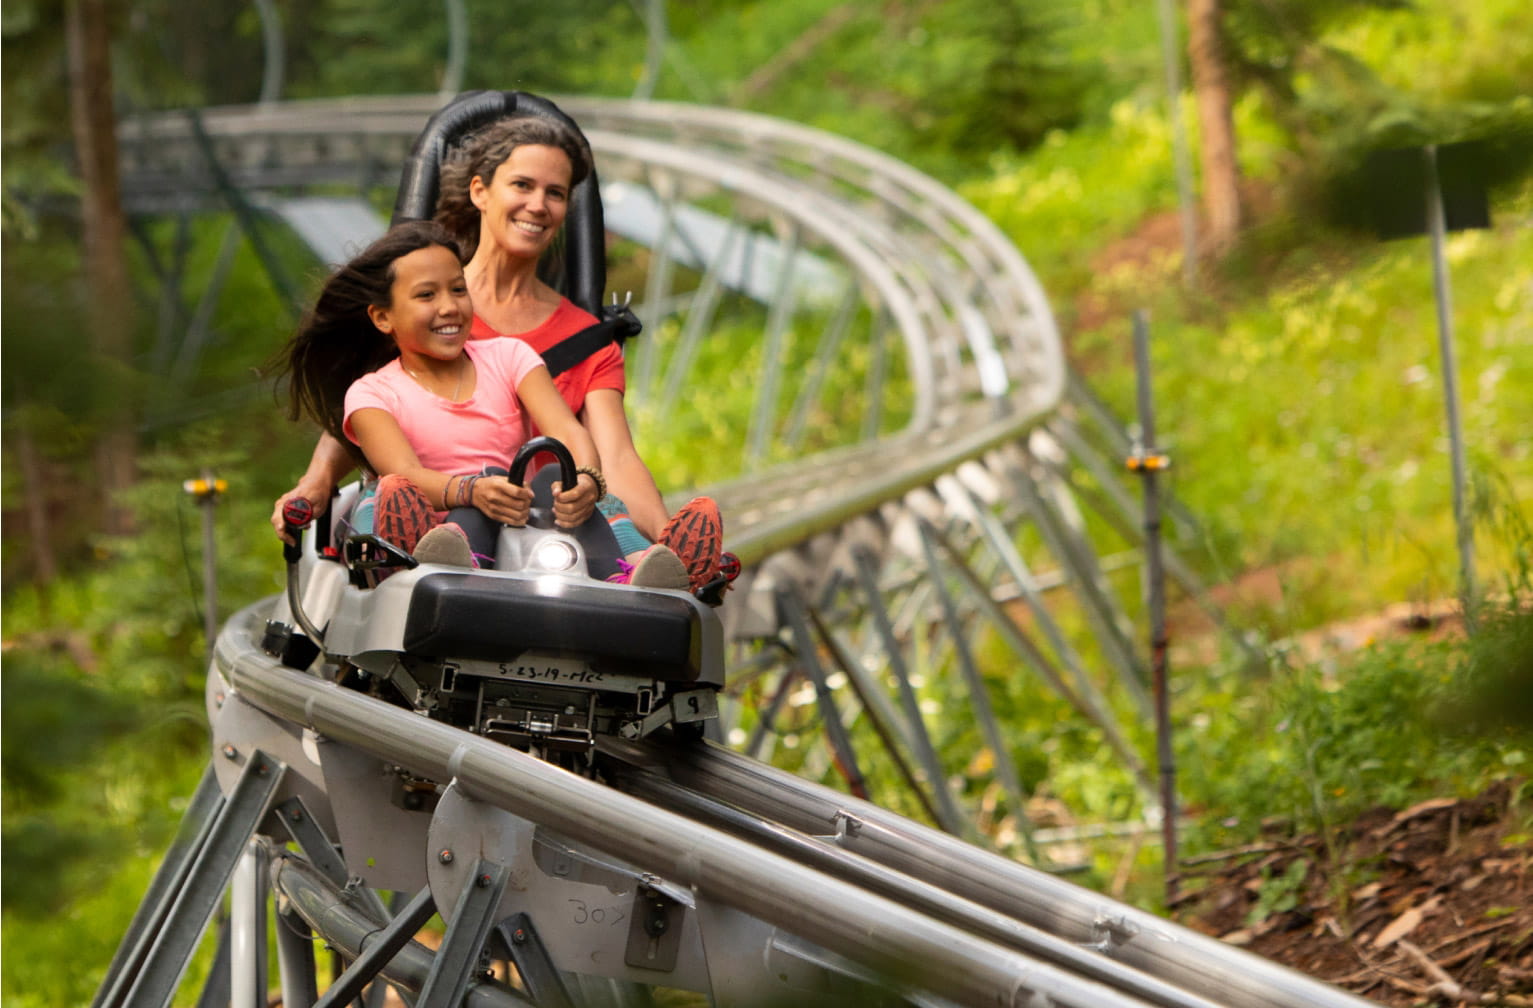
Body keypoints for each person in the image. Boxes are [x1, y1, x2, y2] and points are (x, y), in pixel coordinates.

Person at [274, 113, 725, 594]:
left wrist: (659, 532)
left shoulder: (578, 340)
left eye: (555, 193)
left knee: (576, 498)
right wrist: (317, 479)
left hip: (534, 522)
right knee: (411, 503)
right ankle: (409, 557)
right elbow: (368, 406)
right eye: (522, 185)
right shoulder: (423, 310)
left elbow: (614, 455)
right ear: (480, 192)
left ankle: (651, 562)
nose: (538, 204)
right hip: (431, 493)